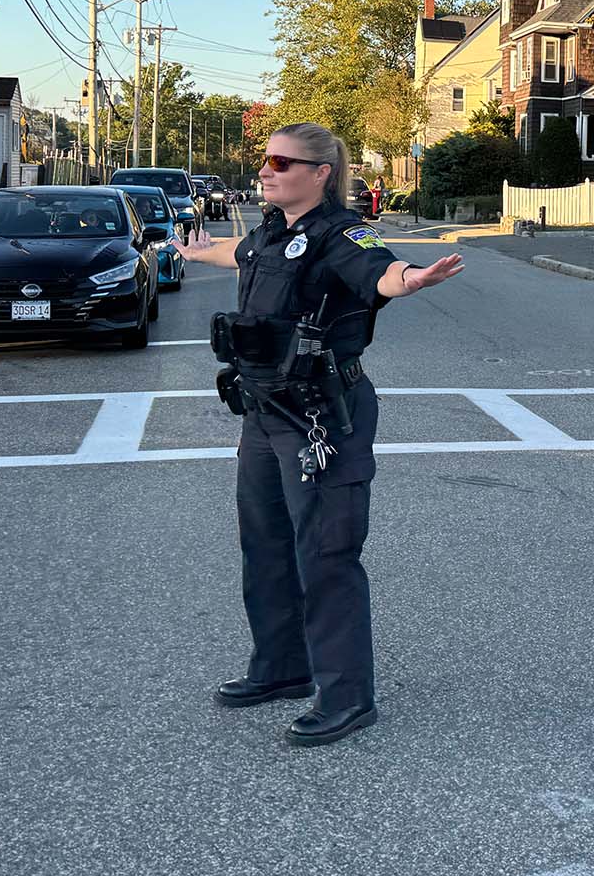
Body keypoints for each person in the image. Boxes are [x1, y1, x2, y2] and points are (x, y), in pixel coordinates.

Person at [180, 122, 464, 744]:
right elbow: (246, 255)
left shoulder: (342, 233)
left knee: (326, 553)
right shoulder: (271, 231)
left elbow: (379, 270)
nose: (266, 170)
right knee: (265, 543)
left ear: (320, 173)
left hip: (321, 416)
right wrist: (202, 252)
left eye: (281, 162)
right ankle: (282, 667)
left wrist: (410, 278)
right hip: (263, 411)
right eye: (266, 159)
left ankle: (347, 695)